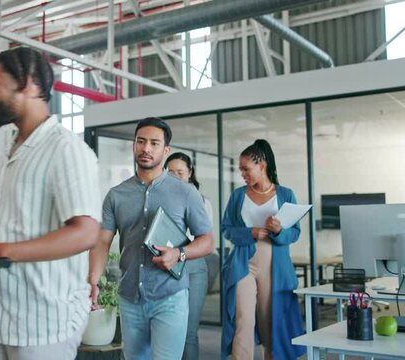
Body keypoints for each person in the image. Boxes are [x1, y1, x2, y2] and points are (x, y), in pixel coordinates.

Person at [0, 47, 101, 360]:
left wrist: (0, 252)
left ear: (28, 84)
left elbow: (85, 233)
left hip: (45, 318)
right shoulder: (5, 155)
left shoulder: (66, 149)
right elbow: (12, 227)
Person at [89, 117, 214, 360]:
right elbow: (102, 242)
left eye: (154, 143)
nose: (146, 148)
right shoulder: (116, 195)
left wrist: (179, 254)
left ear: (165, 151)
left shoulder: (185, 192)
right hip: (129, 297)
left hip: (170, 296)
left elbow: (207, 240)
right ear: (134, 145)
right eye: (141, 141)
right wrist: (93, 280)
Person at [220, 139, 305, 360]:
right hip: (242, 263)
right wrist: (251, 233)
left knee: (270, 320)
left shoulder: (285, 194)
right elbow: (226, 229)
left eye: (246, 169)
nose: (243, 174)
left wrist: (278, 231)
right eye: (241, 170)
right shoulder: (238, 196)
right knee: (243, 320)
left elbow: (295, 233)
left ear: (262, 165)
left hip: (273, 264)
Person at [164, 152, 213, 360]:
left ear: (190, 173)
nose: (175, 177)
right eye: (170, 172)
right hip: (167, 267)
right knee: (167, 332)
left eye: (180, 172)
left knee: (188, 333)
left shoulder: (202, 202)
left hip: (193, 266)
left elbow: (204, 240)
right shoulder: (159, 200)